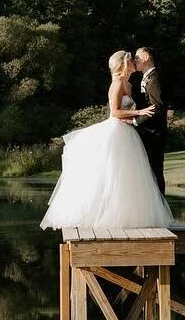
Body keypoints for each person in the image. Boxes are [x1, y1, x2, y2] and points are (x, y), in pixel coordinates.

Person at [39, 50, 173, 230]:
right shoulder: (117, 83)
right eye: (130, 59)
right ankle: (103, 215)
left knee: (129, 176)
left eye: (135, 59)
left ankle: (129, 217)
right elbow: (115, 112)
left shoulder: (129, 85)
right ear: (123, 64)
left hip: (129, 133)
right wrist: (138, 113)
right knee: (111, 175)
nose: (133, 61)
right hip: (116, 131)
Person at [132, 47, 169, 194]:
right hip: (148, 132)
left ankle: (160, 210)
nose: (135, 60)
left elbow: (157, 106)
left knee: (155, 172)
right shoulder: (147, 77)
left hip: (155, 133)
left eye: (137, 57)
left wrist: (136, 121)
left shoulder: (154, 79)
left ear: (146, 57)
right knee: (150, 172)